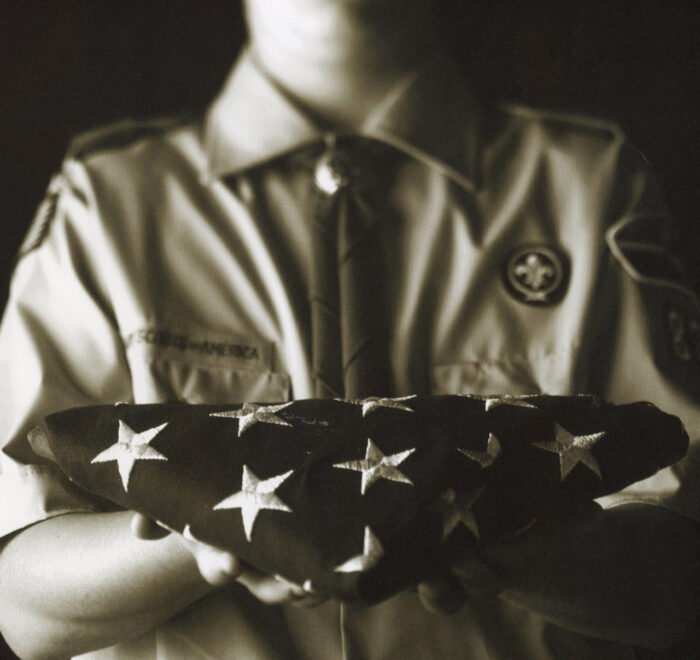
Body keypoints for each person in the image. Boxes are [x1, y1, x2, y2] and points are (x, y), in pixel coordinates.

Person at [0, 1, 698, 658]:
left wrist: (491, 538)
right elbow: (18, 602)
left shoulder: (588, 189)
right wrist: (208, 533)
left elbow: (681, 572)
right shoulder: (108, 205)